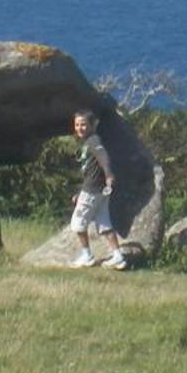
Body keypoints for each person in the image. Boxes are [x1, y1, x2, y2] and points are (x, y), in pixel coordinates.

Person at [68, 109, 127, 269]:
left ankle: (87, 255)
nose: (80, 128)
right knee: (104, 224)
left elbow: (104, 158)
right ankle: (118, 257)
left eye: (83, 124)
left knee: (77, 224)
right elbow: (91, 170)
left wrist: (109, 175)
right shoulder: (89, 142)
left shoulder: (93, 141)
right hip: (98, 189)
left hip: (93, 190)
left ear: (92, 125)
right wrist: (80, 191)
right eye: (77, 125)